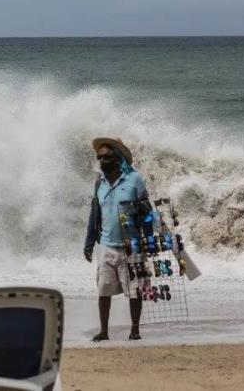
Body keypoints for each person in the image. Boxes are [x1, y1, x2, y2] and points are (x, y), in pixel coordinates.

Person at [84, 137, 149, 341]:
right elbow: (95, 214)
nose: (102, 160)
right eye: (99, 157)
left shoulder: (134, 179)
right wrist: (89, 242)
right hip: (106, 246)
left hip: (132, 246)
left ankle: (135, 329)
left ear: (117, 157)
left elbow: (147, 210)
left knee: (134, 290)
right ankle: (104, 331)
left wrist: (147, 240)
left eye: (107, 156)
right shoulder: (99, 182)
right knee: (103, 290)